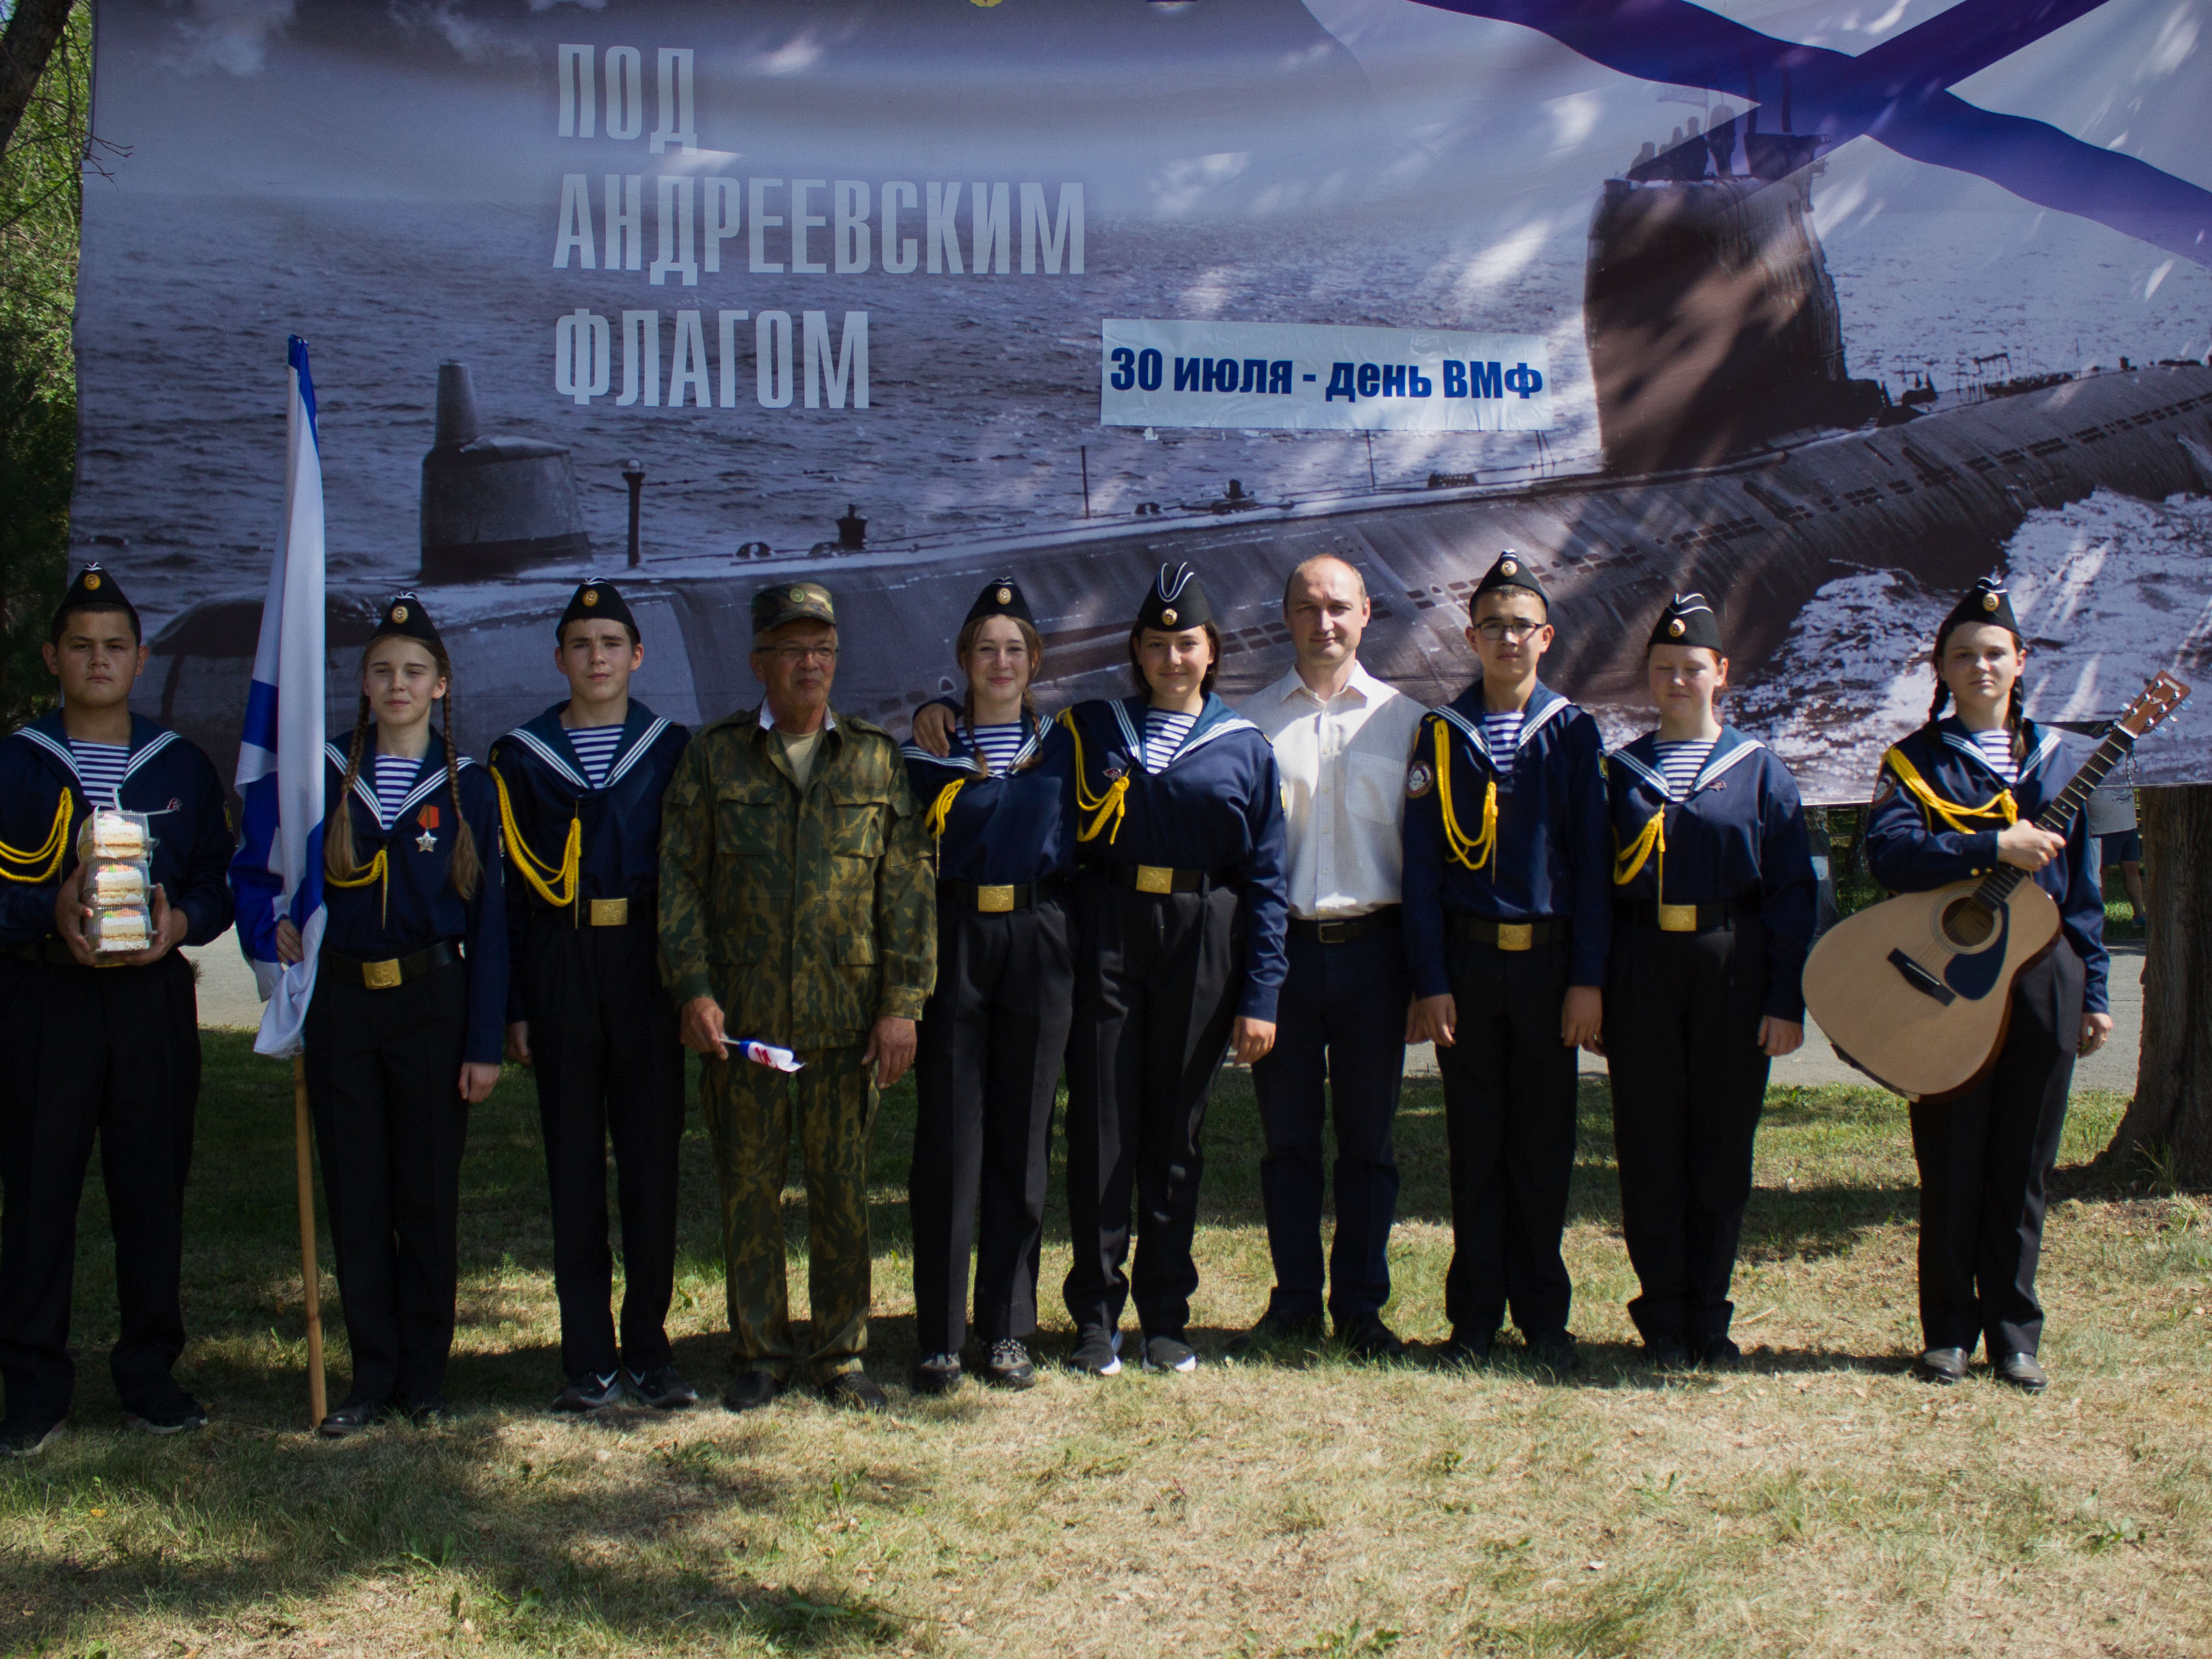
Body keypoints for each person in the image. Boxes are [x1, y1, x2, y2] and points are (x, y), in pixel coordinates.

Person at [658, 581, 934, 1414]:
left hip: (845, 1023)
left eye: (821, 648)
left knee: (842, 1192)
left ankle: (842, 1350)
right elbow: (680, 881)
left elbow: (907, 891)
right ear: (759, 663)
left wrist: (902, 1003)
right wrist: (693, 987)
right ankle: (759, 1349)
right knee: (748, 1190)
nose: (809, 662)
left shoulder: (876, 759)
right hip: (742, 1028)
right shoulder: (713, 757)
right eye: (790, 648)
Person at [240, 593, 509, 1438]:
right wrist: (271, 928)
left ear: (441, 687)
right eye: (383, 669)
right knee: (358, 1192)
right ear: (362, 683)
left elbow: (496, 924)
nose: (398, 683)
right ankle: (371, 1373)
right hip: (345, 1004)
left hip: (435, 1000)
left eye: (415, 671)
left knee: (426, 1195)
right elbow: (260, 872)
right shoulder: (316, 777)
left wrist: (485, 1041)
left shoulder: (473, 787)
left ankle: (424, 1376)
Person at [0, 567, 233, 1456]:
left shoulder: (180, 763)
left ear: (141, 661)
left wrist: (180, 921)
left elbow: (216, 880)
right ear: (54, 655)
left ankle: (149, 1372)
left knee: (150, 1187)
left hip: (148, 1000)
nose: (98, 661)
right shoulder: (15, 761)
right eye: (81, 646)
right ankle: (32, 1384)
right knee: (37, 1190)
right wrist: (42, 912)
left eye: (115, 647)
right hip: (42, 995)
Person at [1864, 576, 2111, 1393]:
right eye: (1963, 653)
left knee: (2023, 1158)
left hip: (2046, 979)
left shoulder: (2061, 758)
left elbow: (2084, 890)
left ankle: (2013, 1331)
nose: (1980, 665)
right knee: (1951, 1156)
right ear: (1940, 665)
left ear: (2020, 662)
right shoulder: (1913, 763)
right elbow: (1890, 856)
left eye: (1994, 653)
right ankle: (1946, 1331)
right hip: (1949, 983)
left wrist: (2096, 988)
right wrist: (1988, 847)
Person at [1056, 562, 1288, 1377]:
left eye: (1185, 642)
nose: (1171, 657)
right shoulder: (1090, 729)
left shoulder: (1245, 748)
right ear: (1137, 650)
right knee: (1102, 1129)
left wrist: (1260, 994)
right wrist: (939, 714)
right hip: (1110, 933)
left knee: (1175, 1133)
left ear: (1211, 651)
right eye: (1156, 643)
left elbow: (1265, 879)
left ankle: (1165, 1316)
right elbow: (1010, 756)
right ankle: (1094, 1315)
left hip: (1200, 938)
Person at [488, 578, 694, 1415]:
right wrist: (513, 1002)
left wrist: (691, 986)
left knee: (650, 1161)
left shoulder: (670, 748)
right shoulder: (522, 756)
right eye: (582, 644)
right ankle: (588, 1355)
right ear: (561, 659)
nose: (598, 657)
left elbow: (692, 874)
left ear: (636, 655)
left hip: (645, 962)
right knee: (573, 1161)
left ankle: (648, 1347)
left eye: (612, 643)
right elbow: (504, 894)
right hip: (562, 957)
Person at [1403, 550, 1608, 1372]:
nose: (1507, 639)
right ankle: (1473, 1317)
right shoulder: (1440, 732)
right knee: (1474, 1142)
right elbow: (1420, 870)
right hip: (1470, 964)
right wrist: (1430, 979)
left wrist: (1589, 979)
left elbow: (1593, 869)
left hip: (1550, 967)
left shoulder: (1571, 730)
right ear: (1471, 636)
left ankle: (1544, 1317)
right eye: (1492, 625)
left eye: (1522, 625)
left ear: (1545, 636)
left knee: (1542, 1144)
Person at [1599, 593, 1814, 1367]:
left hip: (1733, 963)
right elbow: (1593, 892)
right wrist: (1593, 989)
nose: (1677, 679)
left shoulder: (1759, 772)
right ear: (1648, 677)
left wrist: (1783, 998)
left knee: (1720, 1149)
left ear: (1720, 671)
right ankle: (1660, 1314)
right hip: (1642, 969)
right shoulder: (1619, 773)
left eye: (1692, 667)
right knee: (1650, 1145)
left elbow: (1793, 895)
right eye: (1663, 668)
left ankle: (1710, 1317)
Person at [1233, 555, 1424, 1359]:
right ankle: (1293, 1298)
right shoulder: (1249, 725)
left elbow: (1427, 864)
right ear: (1286, 618)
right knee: (1287, 1140)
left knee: (1368, 1142)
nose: (1324, 623)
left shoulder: (1410, 722)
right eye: (1308, 608)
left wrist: (1424, 977)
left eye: (1338, 607)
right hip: (1285, 956)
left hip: (1377, 955)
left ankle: (1360, 1303)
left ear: (1366, 612)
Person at [899, 578, 1075, 1394]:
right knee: (948, 1137)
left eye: (1015, 649)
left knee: (1021, 1133)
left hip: (1037, 941)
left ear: (1034, 660)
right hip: (955, 937)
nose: (1000, 662)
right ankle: (939, 1331)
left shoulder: (1069, 743)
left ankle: (1006, 1325)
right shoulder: (926, 751)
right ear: (963, 661)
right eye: (984, 649)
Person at [2084, 770, 2143, 924]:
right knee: (2100, 874)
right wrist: (2088, 828)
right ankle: (2098, 919)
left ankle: (2140, 915)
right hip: (2101, 829)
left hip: (2128, 827)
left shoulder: (2126, 763)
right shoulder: (2092, 767)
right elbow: (2083, 799)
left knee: (2132, 869)